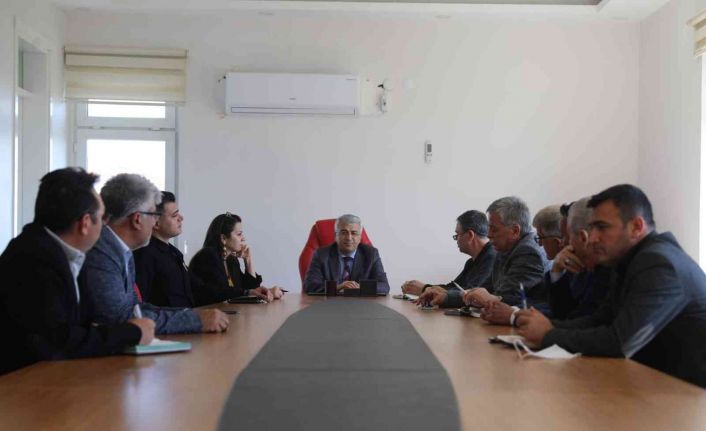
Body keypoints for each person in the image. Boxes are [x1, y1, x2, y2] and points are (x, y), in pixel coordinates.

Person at [516, 184, 706, 388]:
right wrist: (547, 325)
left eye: (602, 227)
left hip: (688, 395)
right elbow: (599, 321)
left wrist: (548, 334)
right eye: (592, 227)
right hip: (653, 383)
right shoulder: (629, 259)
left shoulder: (659, 263)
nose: (593, 237)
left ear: (636, 227)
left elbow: (621, 342)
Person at [0, 168, 154, 374]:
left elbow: (83, 325)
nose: (105, 226)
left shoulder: (62, 253)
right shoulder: (33, 259)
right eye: (103, 218)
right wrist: (132, 333)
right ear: (85, 223)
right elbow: (58, 341)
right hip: (18, 384)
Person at [79, 174, 229, 334]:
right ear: (137, 219)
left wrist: (191, 315)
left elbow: (135, 308)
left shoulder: (123, 251)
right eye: (153, 215)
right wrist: (196, 320)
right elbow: (120, 318)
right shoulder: (101, 253)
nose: (154, 222)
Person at [481, 198, 611, 325]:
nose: (562, 243)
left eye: (565, 237)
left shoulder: (606, 271)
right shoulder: (573, 264)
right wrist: (556, 271)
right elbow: (561, 311)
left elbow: (577, 318)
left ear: (583, 237)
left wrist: (515, 315)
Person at [418, 197, 547, 310]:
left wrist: (449, 296)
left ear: (514, 231)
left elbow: (506, 298)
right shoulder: (505, 248)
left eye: (494, 229)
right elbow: (486, 289)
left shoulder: (528, 252)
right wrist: (446, 297)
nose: (488, 235)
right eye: (489, 228)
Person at [189, 212, 282, 305]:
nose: (243, 238)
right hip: (207, 312)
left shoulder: (231, 259)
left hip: (226, 311)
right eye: (239, 234)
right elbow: (220, 293)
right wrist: (251, 292)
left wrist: (248, 260)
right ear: (223, 238)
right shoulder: (207, 256)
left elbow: (250, 289)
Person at [401, 210, 495, 296]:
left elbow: (471, 294)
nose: (456, 240)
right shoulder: (471, 262)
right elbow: (453, 287)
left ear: (470, 235)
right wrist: (426, 288)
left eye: (457, 235)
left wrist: (425, 289)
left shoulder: (492, 258)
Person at [134, 191, 197, 307]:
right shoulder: (144, 255)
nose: (181, 218)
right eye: (174, 215)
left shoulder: (174, 252)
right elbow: (141, 304)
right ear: (155, 223)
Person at [303, 214, 390, 294]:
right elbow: (309, 285)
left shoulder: (371, 254)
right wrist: (337, 288)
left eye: (354, 233)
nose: (349, 238)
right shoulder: (321, 254)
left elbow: (384, 286)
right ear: (336, 236)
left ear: (360, 237)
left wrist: (360, 287)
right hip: (330, 303)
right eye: (344, 232)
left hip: (361, 304)